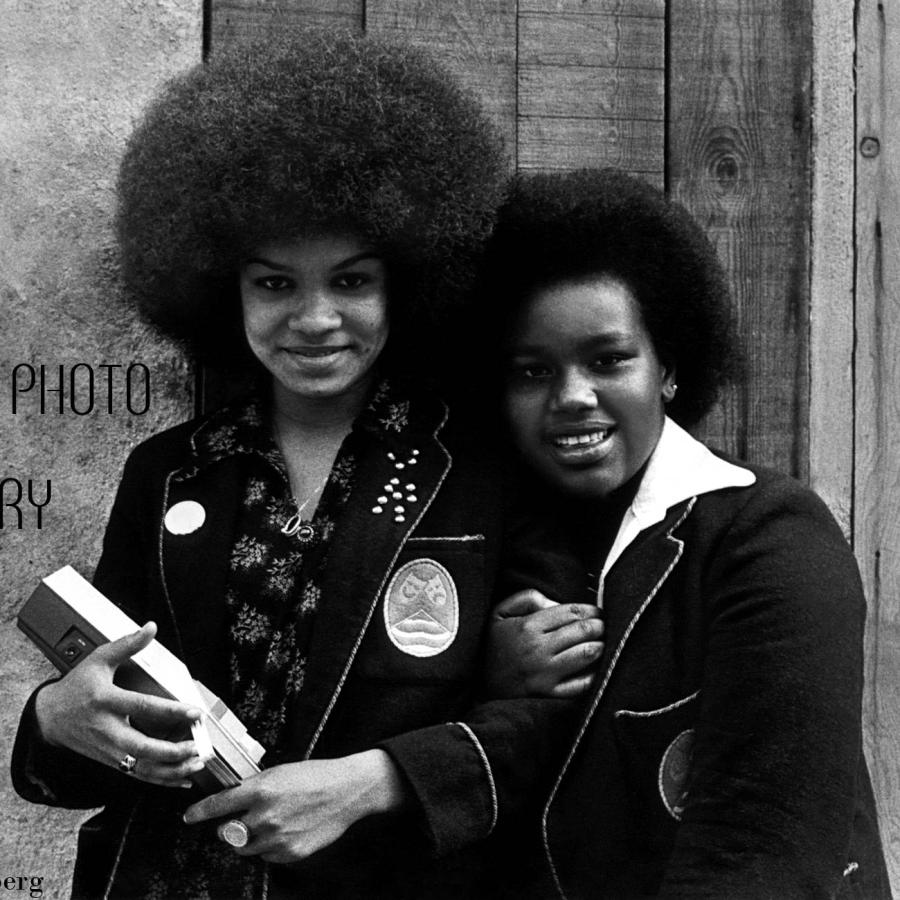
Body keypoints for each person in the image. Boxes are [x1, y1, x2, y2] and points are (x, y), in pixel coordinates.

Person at [11, 31, 572, 900]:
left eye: (351, 281)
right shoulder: (168, 472)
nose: (314, 319)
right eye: (275, 284)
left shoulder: (485, 470)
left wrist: (374, 780)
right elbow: (102, 731)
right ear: (220, 288)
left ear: (409, 283)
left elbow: (555, 719)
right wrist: (58, 718)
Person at [480, 168, 891, 899]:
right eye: (532, 371)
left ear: (668, 367)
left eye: (608, 360)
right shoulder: (484, 549)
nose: (572, 397)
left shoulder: (769, 536)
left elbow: (766, 849)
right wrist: (485, 682)